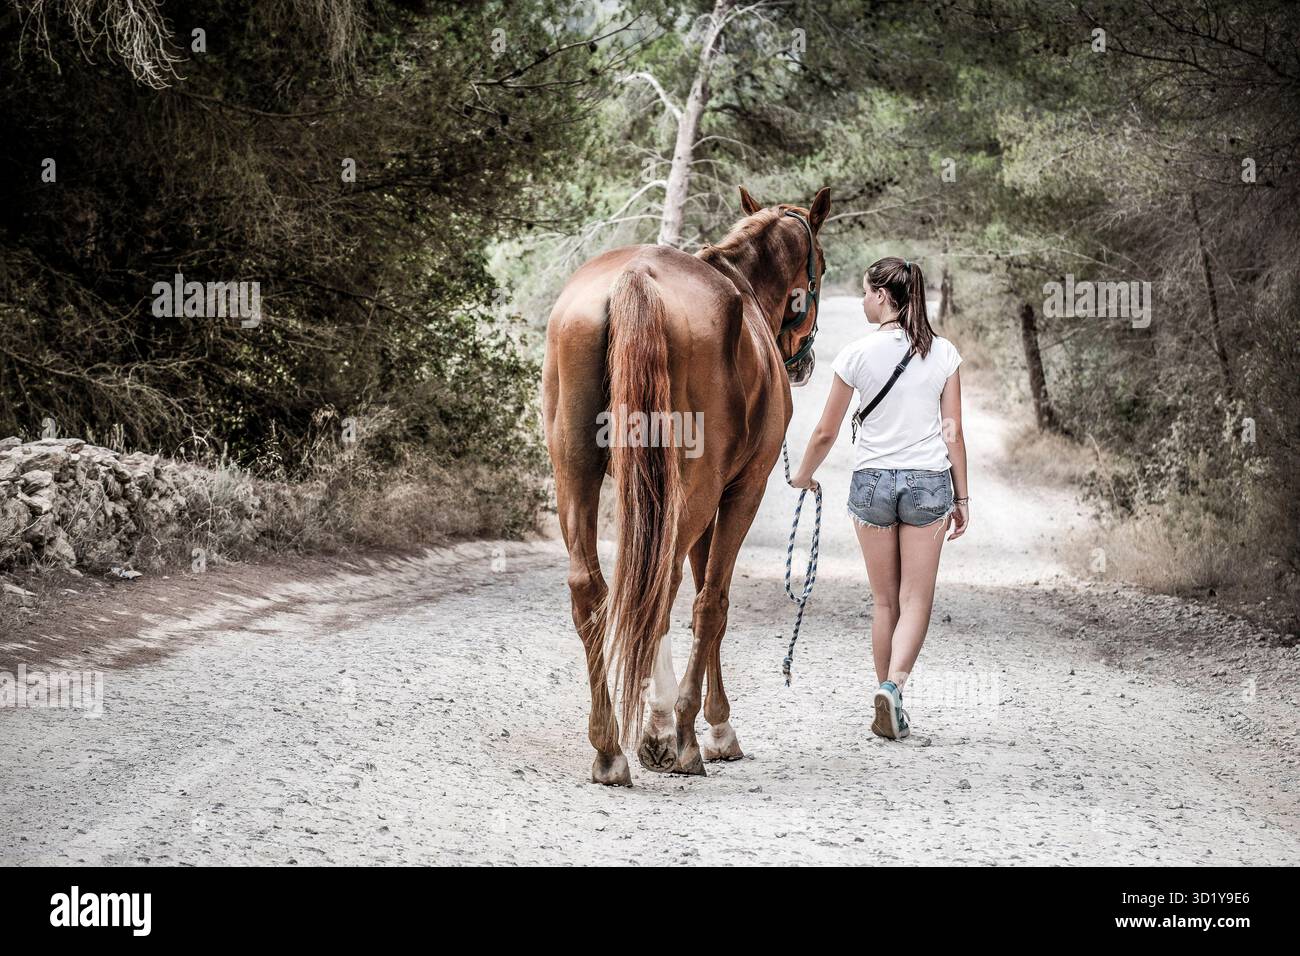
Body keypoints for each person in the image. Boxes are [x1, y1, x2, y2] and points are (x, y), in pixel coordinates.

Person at [788, 256, 969, 740]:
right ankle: (893, 690)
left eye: (868, 292)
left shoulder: (855, 354)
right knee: (916, 600)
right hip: (928, 482)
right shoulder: (944, 353)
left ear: (884, 298)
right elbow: (953, 433)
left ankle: (885, 695)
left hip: (870, 483)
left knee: (885, 601)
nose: (864, 300)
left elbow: (826, 430)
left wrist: (803, 475)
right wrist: (963, 497)